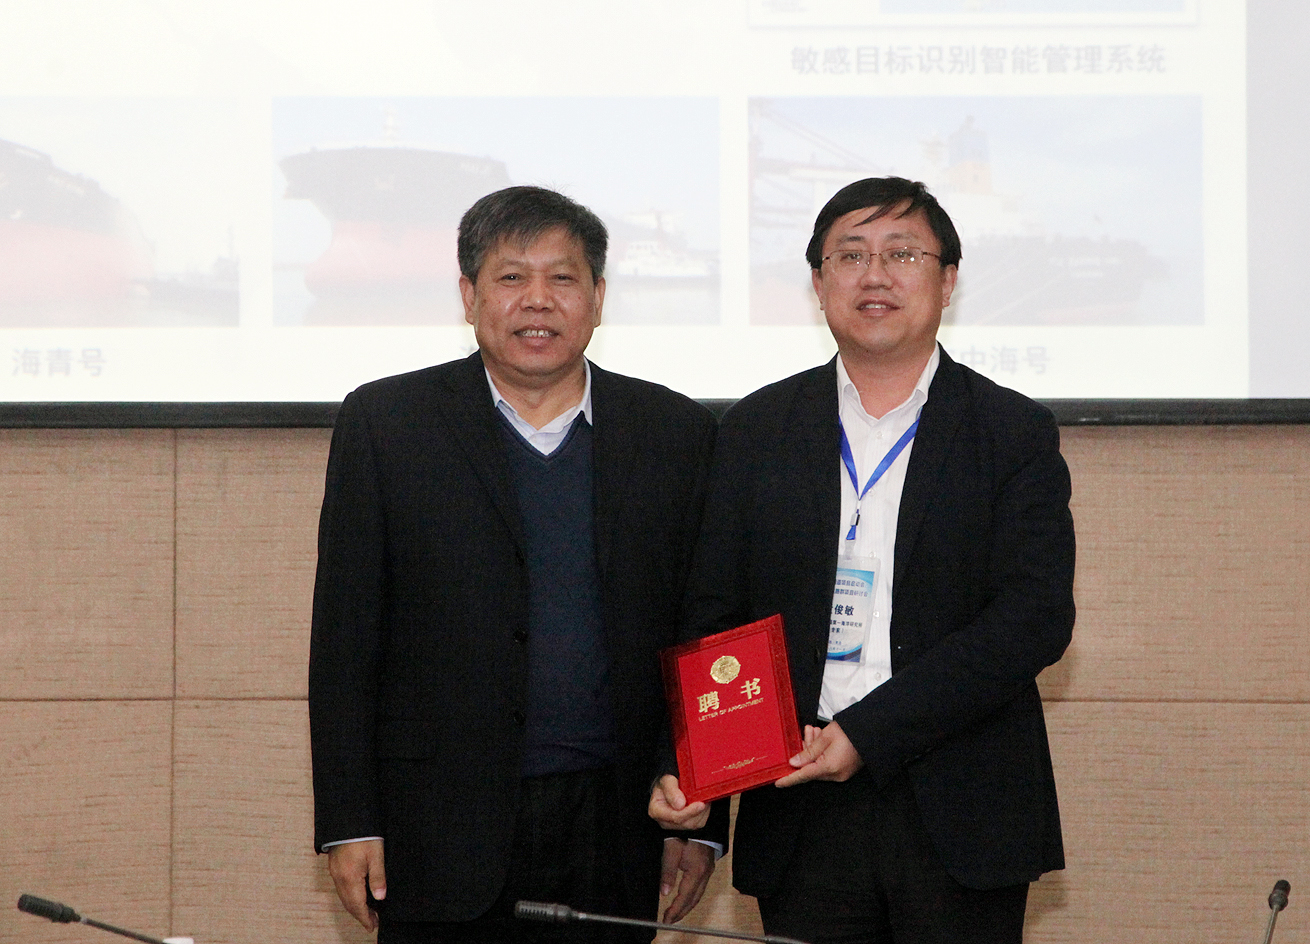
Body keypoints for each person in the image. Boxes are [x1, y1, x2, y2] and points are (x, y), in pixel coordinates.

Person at [649, 176, 1075, 944]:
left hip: (959, 803)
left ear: (948, 280)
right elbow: (712, 619)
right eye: (849, 256)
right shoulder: (755, 430)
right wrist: (699, 791)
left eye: (901, 254)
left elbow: (1033, 618)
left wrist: (870, 732)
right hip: (798, 802)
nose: (874, 275)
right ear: (819, 285)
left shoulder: (1011, 432)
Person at [310, 185, 724, 943]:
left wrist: (700, 818)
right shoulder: (387, 425)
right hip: (437, 828)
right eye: (511, 278)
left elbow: (707, 632)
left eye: (563, 278)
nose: (538, 300)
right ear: (469, 296)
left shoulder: (676, 432)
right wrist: (348, 820)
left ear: (598, 297)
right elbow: (345, 640)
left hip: (619, 823)